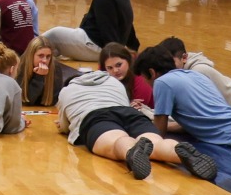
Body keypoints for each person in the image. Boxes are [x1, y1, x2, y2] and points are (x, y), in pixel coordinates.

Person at [55, 62, 218, 181]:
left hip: (95, 117)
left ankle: (131, 151)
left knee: (117, 141)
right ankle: (177, 152)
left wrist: (62, 127)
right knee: (156, 143)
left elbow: (64, 126)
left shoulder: (67, 90)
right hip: (128, 112)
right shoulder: (112, 81)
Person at [41, 0, 136, 61]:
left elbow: (107, 27)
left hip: (98, 47)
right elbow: (128, 24)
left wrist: (113, 55)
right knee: (54, 45)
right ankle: (45, 57)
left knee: (54, 34)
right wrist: (134, 47)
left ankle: (30, 52)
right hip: (100, 44)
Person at [18, 37, 76, 107]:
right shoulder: (20, 67)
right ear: (31, 55)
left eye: (48, 56)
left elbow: (53, 101)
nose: (44, 60)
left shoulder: (55, 68)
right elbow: (26, 102)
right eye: (40, 56)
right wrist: (38, 78)